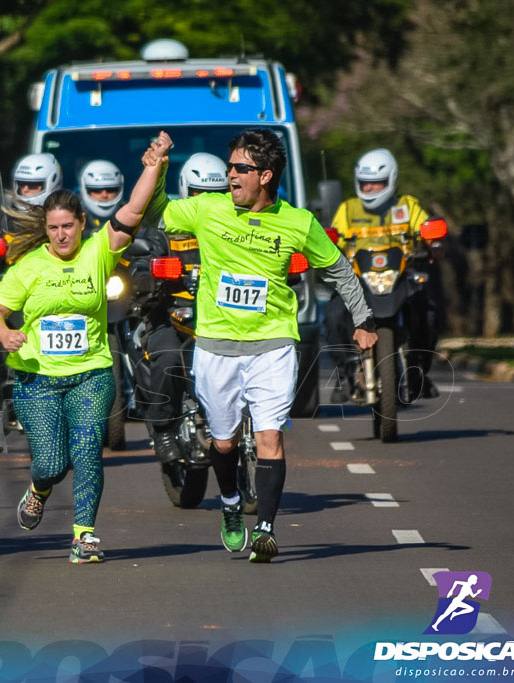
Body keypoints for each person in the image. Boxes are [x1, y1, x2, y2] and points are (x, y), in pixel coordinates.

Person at [146, 129, 377, 562]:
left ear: (265, 176)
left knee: (269, 435)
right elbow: (156, 211)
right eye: (230, 166)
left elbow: (341, 271)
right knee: (224, 443)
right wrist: (156, 168)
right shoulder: (207, 210)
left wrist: (363, 319)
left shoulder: (298, 222)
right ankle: (231, 504)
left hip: (272, 345)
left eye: (240, 168)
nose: (229, 174)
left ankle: (266, 529)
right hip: (215, 346)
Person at [0, 131, 173, 564]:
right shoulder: (28, 267)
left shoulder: (98, 253)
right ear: (45, 229)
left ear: (83, 224)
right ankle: (39, 488)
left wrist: (153, 164)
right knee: (51, 462)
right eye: (53, 228)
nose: (61, 235)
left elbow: (133, 211)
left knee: (88, 447)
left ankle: (84, 534)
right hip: (37, 379)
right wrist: (3, 334)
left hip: (91, 373)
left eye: (68, 226)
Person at [129, 152, 227, 462]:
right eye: (201, 194)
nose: (208, 202)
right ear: (186, 189)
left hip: (227, 319)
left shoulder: (236, 228)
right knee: (168, 357)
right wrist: (149, 275)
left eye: (217, 194)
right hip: (174, 316)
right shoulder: (166, 223)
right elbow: (142, 259)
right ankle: (164, 430)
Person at [324, 148, 440, 402]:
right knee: (333, 315)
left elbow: (426, 232)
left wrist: (430, 242)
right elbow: (332, 241)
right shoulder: (348, 209)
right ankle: (347, 373)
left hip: (400, 277)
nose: (370, 189)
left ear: (391, 180)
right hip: (358, 281)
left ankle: (418, 368)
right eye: (365, 184)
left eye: (377, 184)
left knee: (428, 311)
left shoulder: (407, 205)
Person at [79, 160, 124, 236]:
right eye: (97, 190)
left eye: (111, 190)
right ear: (85, 190)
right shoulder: (73, 217)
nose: (104, 195)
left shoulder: (131, 214)